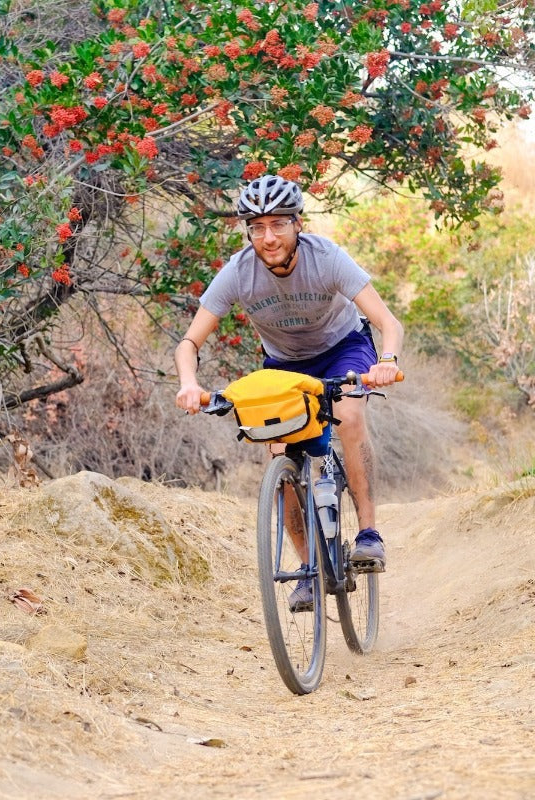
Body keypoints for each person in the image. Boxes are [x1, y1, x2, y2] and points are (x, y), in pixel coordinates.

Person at [174, 174, 404, 611]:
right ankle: (306, 571)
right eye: (257, 227)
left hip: (343, 349)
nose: (268, 237)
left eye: (278, 224)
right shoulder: (239, 272)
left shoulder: (327, 258)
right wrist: (189, 382)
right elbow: (189, 342)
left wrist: (387, 362)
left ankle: (369, 535)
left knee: (350, 417)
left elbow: (389, 323)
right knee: (278, 448)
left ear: (297, 224)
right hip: (284, 364)